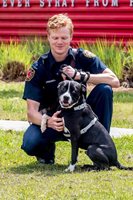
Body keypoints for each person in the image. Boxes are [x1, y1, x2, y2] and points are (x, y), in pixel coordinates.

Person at [21, 14, 120, 164]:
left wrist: (82, 76)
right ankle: (46, 153)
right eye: (55, 38)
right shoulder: (39, 68)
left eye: (64, 38)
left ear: (71, 37)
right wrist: (48, 122)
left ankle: (100, 143)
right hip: (54, 120)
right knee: (30, 143)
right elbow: (31, 113)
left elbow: (114, 81)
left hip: (82, 119)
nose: (59, 42)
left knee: (104, 90)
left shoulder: (82, 57)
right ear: (48, 37)